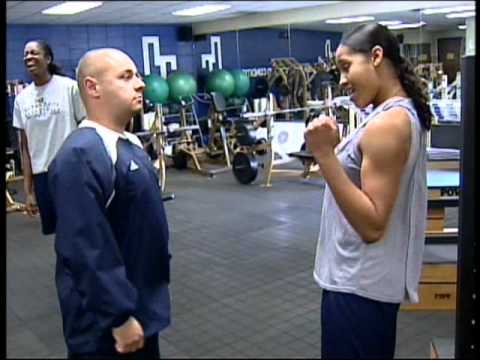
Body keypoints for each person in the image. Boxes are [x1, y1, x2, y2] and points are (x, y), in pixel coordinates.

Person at [304, 23, 432, 359]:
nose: (342, 80)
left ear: (376, 56)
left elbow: (373, 224)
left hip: (359, 289)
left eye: (346, 67)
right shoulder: (390, 115)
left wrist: (324, 155)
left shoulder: (388, 124)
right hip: (361, 285)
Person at [47, 48, 171, 358]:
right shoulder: (81, 154)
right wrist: (119, 316)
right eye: (126, 77)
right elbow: (85, 247)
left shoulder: (129, 143)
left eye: (138, 76)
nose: (140, 84)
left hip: (140, 307)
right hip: (106, 327)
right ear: (92, 87)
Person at [13, 40, 86, 234]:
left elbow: (87, 130)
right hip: (42, 176)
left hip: (72, 170)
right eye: (26, 53)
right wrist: (29, 192)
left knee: (80, 229)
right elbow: (25, 148)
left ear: (48, 58)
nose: (29, 57)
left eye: (34, 53)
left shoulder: (70, 88)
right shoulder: (21, 100)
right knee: (59, 233)